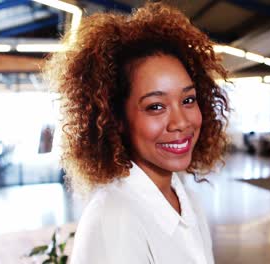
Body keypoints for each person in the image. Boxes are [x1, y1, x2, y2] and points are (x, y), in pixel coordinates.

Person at [44, 2, 229, 263]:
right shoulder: (114, 218)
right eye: (155, 106)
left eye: (188, 100)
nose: (180, 122)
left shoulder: (184, 198)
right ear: (116, 118)